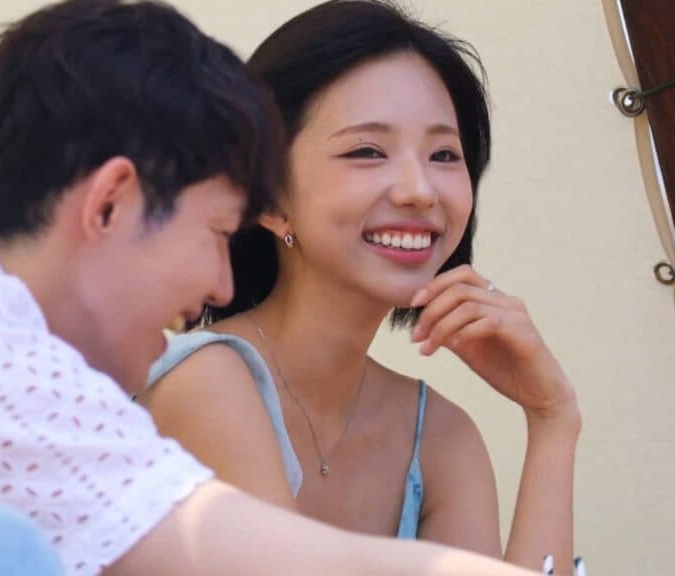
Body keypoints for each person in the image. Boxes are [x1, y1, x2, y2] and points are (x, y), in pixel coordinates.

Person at [0, 0, 540, 574]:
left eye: (445, 153)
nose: (219, 283)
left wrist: (555, 420)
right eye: (218, 233)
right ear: (113, 202)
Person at [142, 1, 581, 573]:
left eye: (444, 154)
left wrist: (552, 419)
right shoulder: (207, 381)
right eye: (367, 151)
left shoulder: (440, 437)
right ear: (269, 197)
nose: (420, 190)